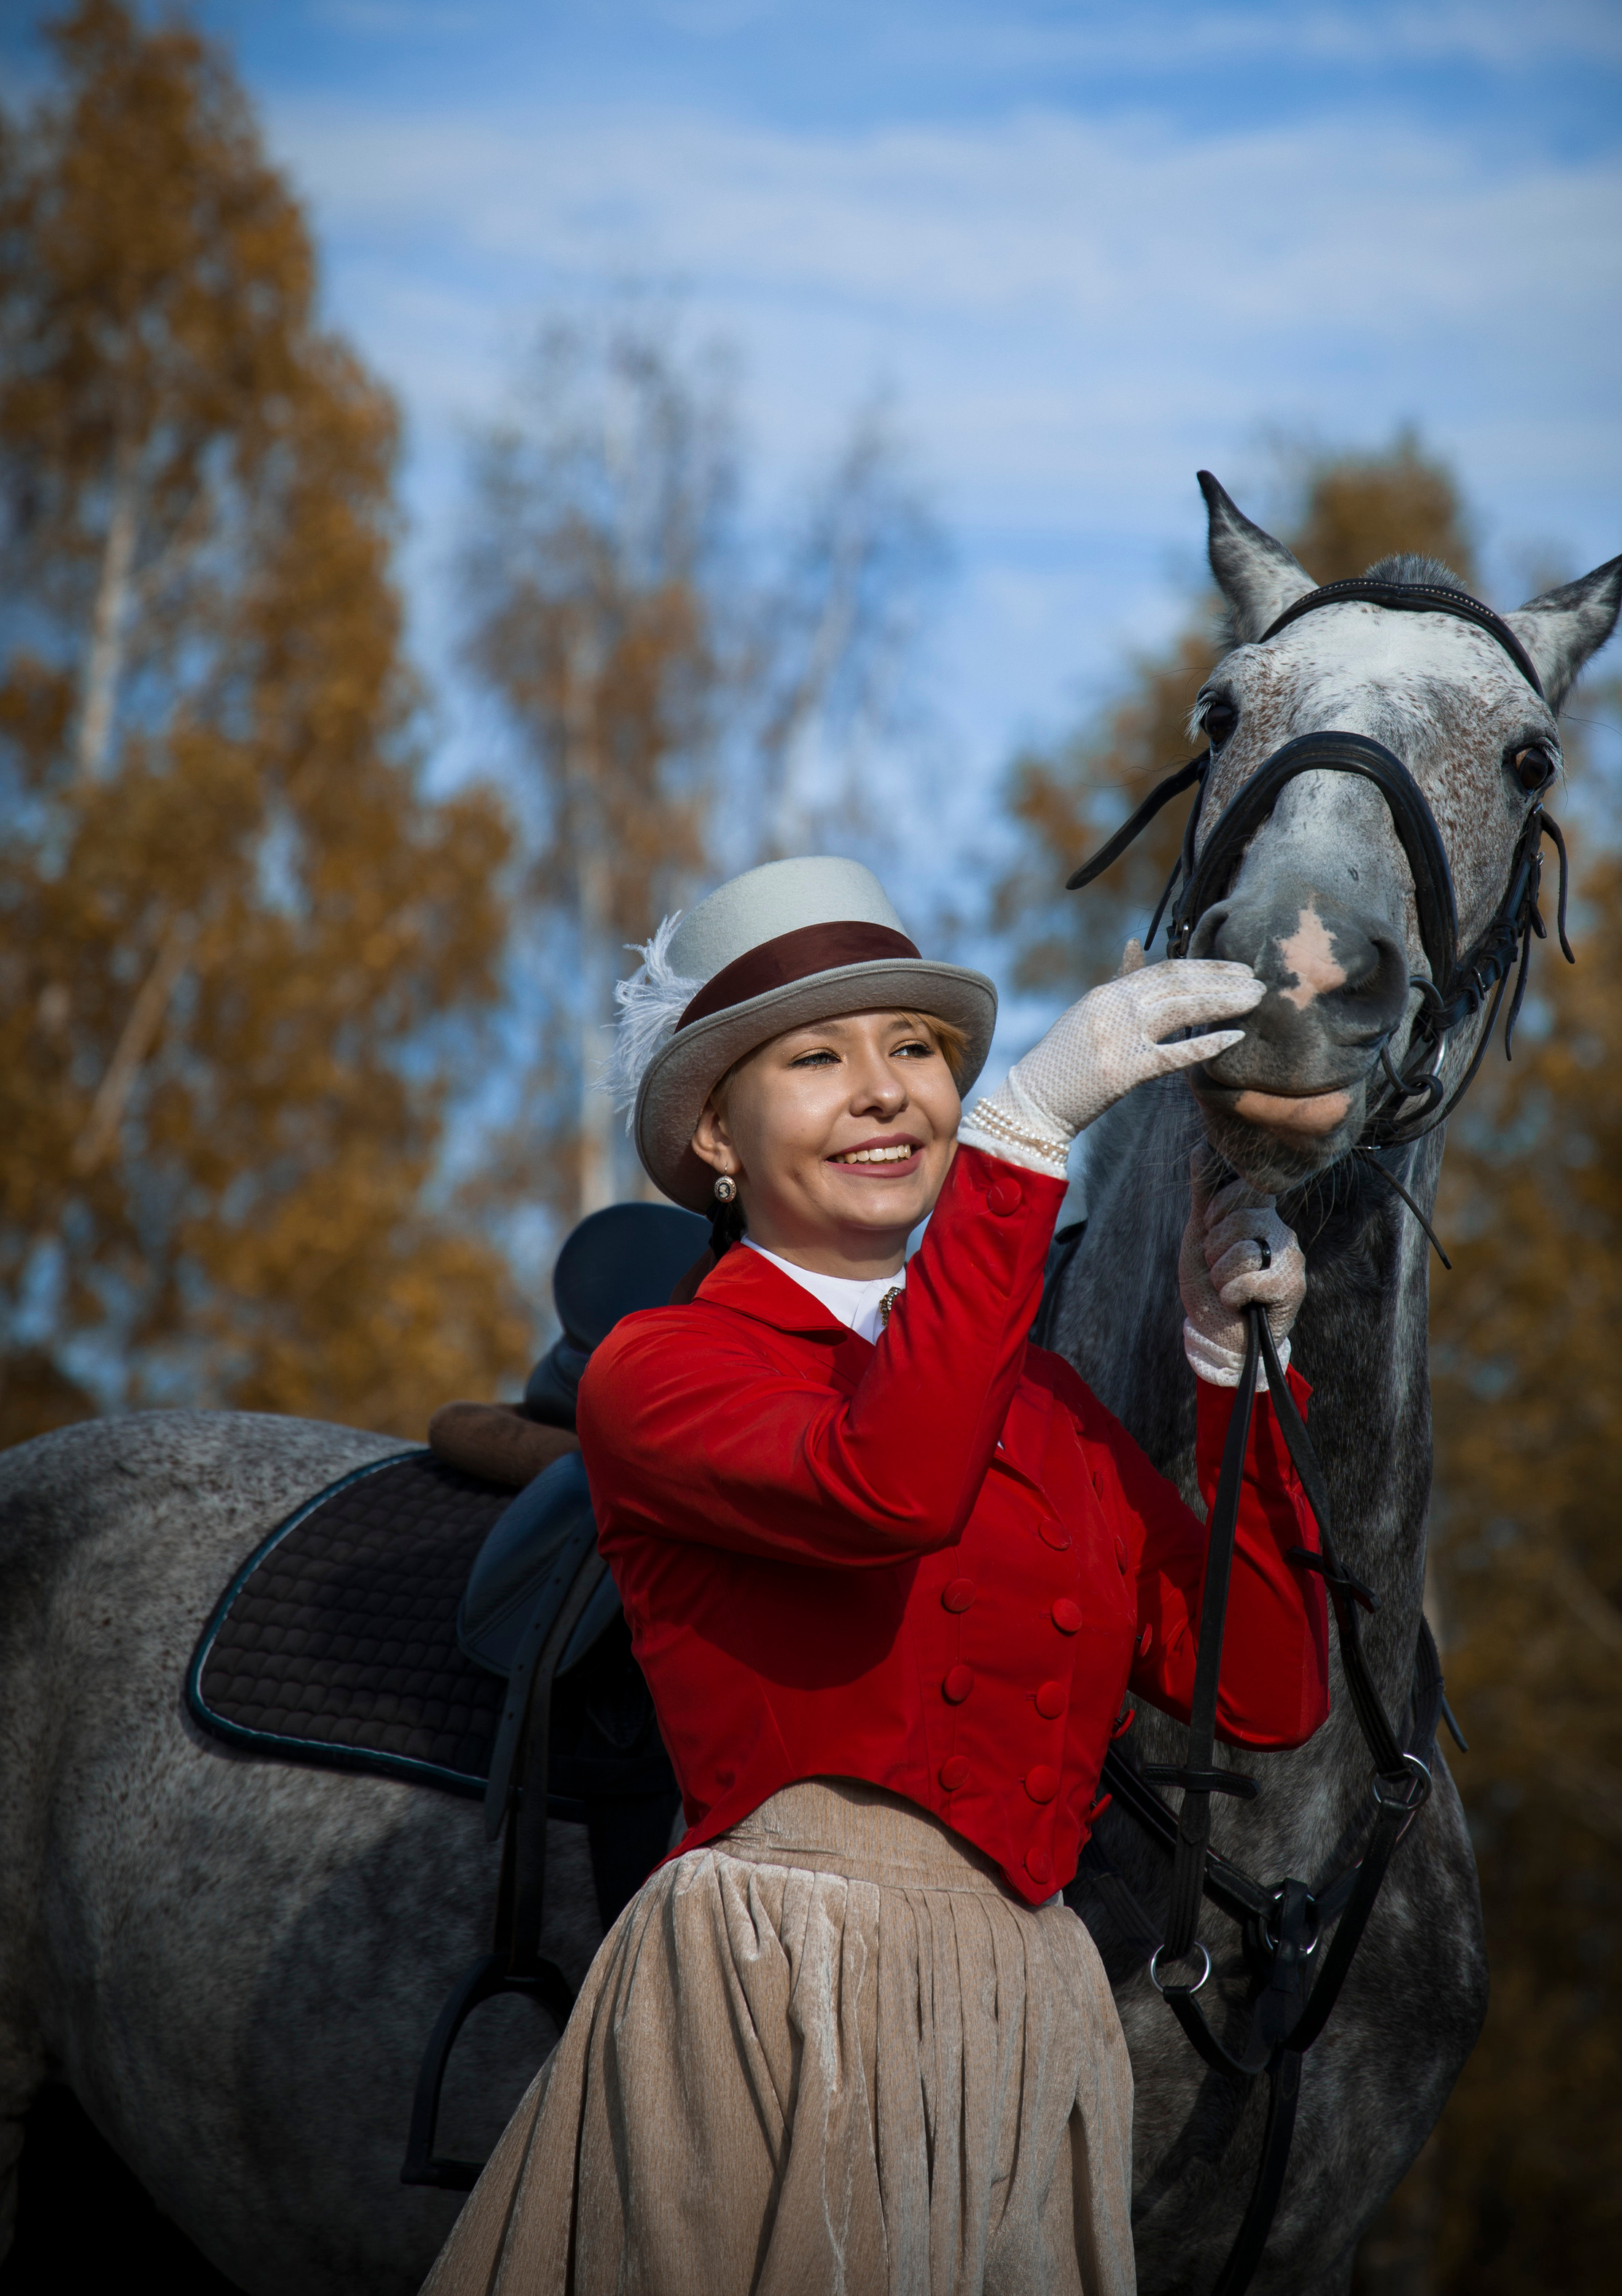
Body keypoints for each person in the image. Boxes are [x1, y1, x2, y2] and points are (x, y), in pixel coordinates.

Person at [423, 855, 1328, 2296]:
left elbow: (1268, 1688)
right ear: (713, 1136)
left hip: (1030, 2018)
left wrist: (1233, 1378)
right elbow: (888, 1486)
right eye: (814, 1058)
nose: (885, 1090)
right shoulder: (660, 1367)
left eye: (914, 1049)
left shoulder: (1047, 1403)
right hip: (780, 1988)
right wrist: (1021, 1137)